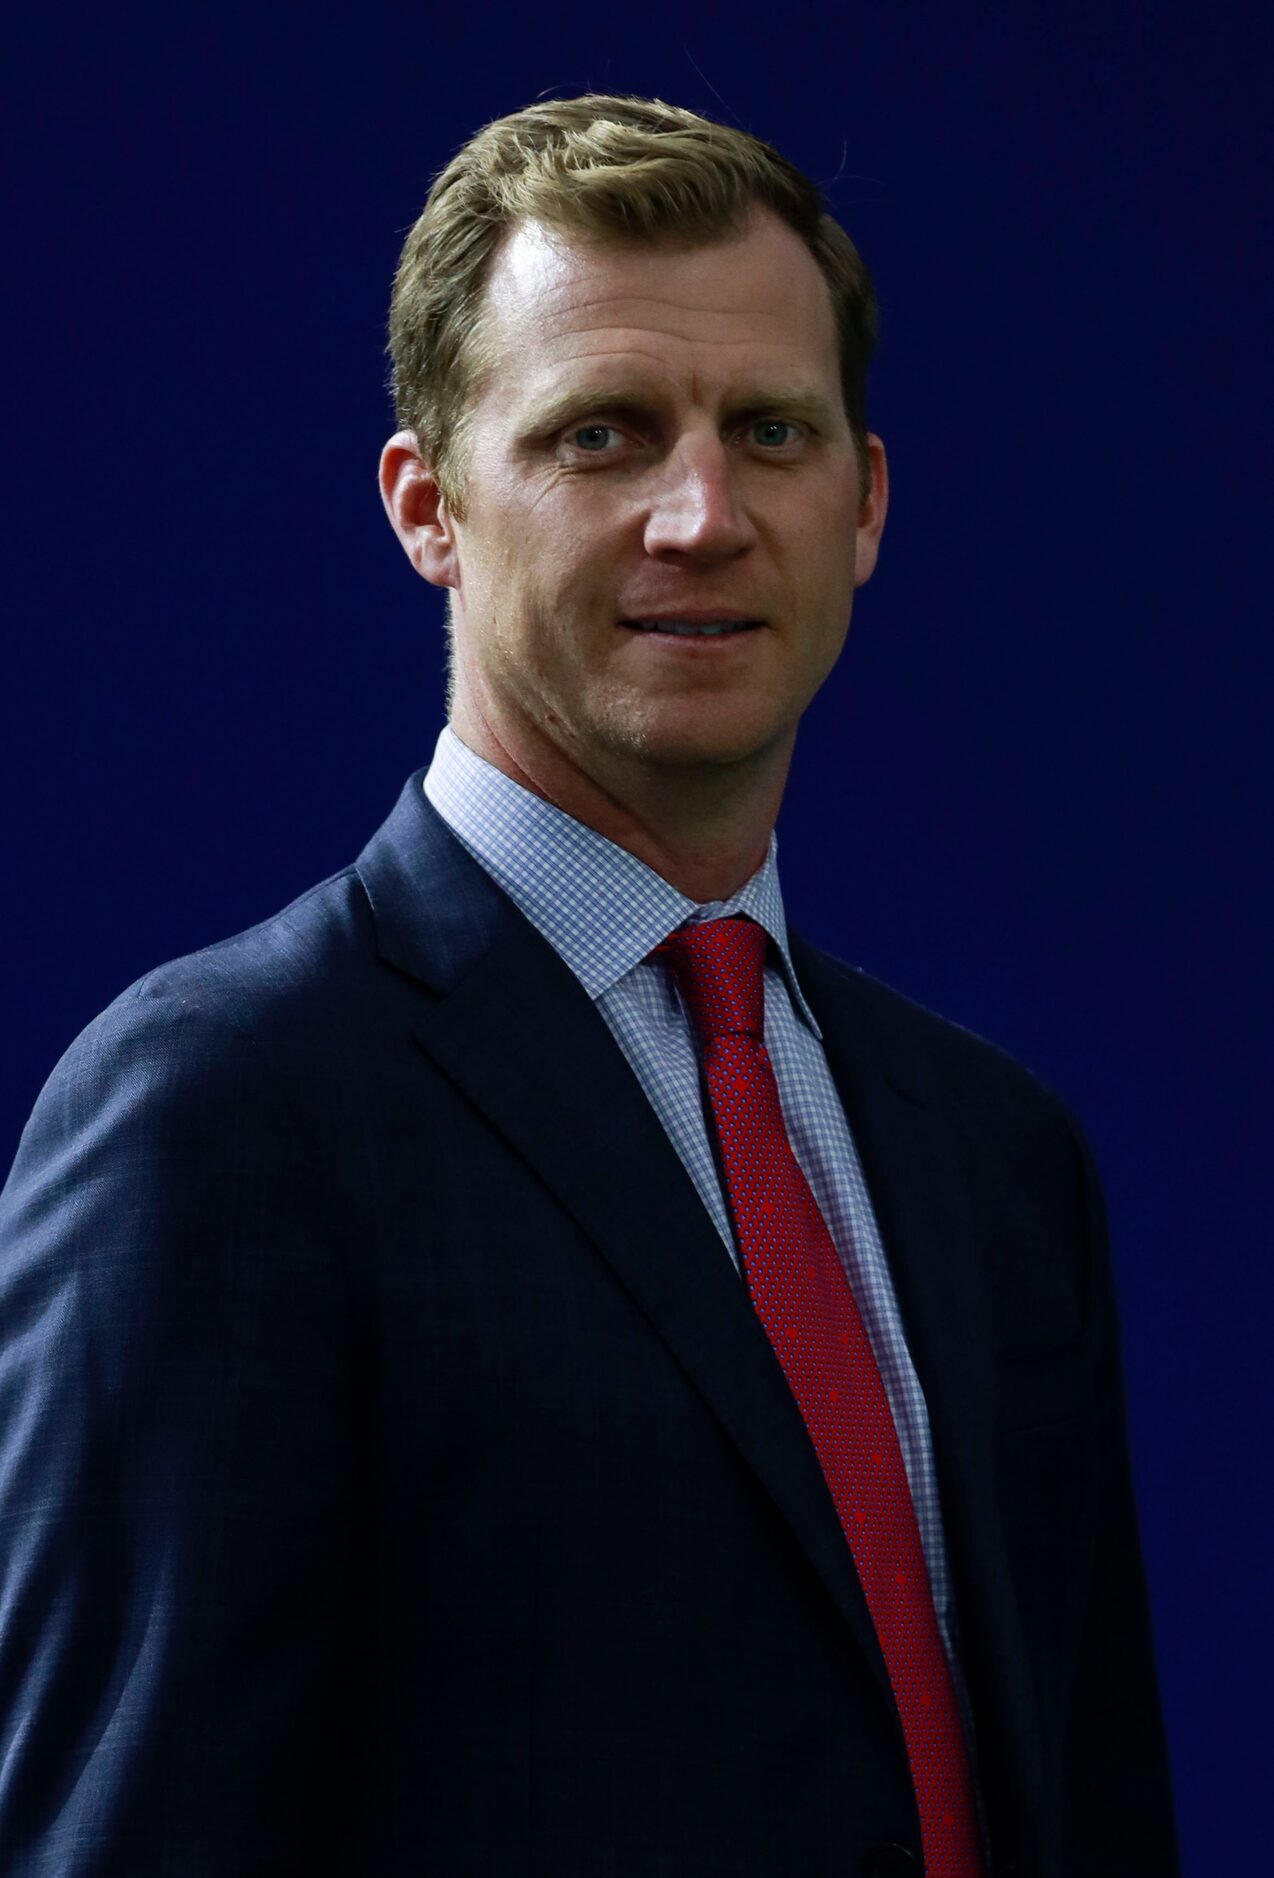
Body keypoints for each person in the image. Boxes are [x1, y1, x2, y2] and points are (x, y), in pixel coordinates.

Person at [0, 94, 1178, 1878]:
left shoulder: (999, 1157)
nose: (700, 513)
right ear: (429, 507)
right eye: (603, 433)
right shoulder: (223, 1112)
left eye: (769, 431)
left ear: (860, 505)